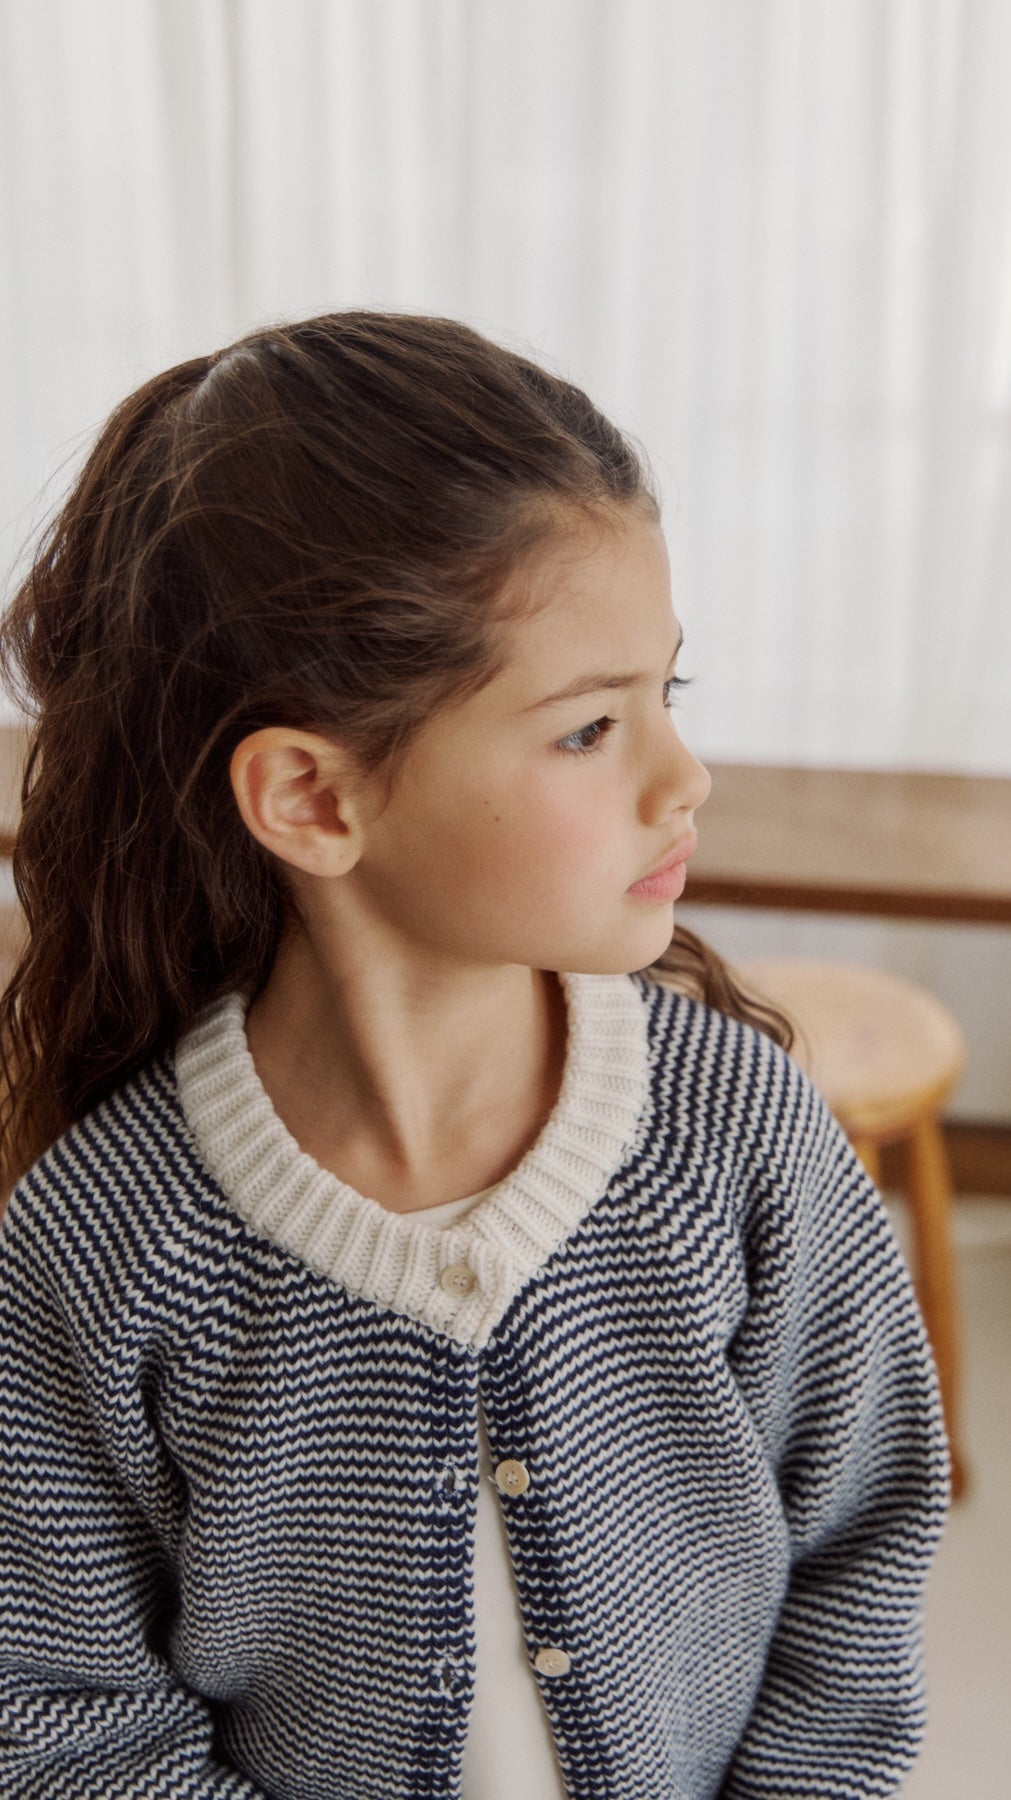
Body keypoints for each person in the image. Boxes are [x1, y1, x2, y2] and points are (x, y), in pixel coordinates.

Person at [0, 310, 949, 1800]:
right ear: (313, 800)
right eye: (588, 730)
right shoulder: (102, 1246)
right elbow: (66, 1712)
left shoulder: (735, 1135)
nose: (685, 777)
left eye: (668, 696)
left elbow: (862, 1557)